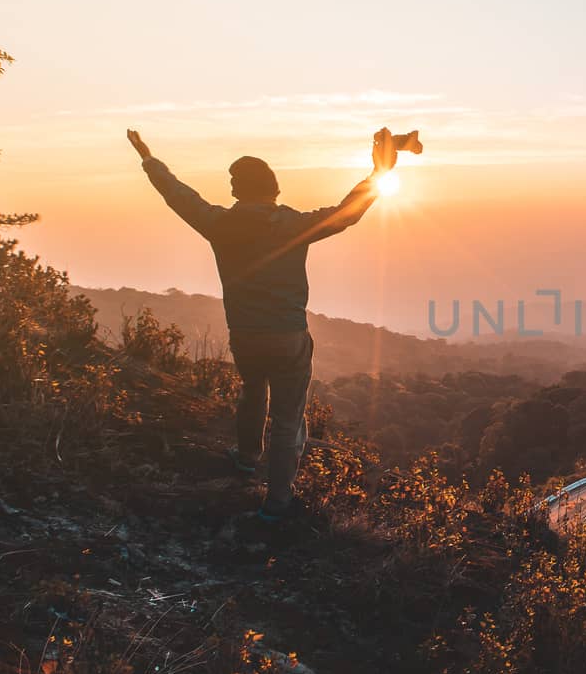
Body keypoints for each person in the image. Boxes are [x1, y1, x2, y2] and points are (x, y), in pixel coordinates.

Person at [126, 127, 400, 521]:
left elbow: (178, 195)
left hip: (245, 334)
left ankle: (246, 458)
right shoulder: (291, 225)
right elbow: (347, 214)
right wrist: (379, 174)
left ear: (238, 191)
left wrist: (149, 159)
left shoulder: (218, 223)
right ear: (274, 189)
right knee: (288, 419)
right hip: (288, 336)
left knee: (252, 391)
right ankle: (277, 504)